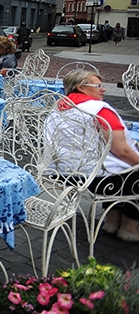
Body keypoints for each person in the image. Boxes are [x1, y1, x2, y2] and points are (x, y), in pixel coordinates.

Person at [57, 71, 139, 242]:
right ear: (81, 87)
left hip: (64, 171)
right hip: (96, 178)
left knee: (114, 168)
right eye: (99, 86)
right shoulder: (99, 110)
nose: (103, 90)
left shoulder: (60, 106)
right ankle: (130, 228)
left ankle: (112, 222)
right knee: (131, 171)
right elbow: (122, 151)